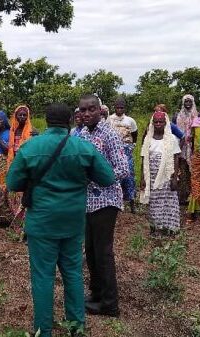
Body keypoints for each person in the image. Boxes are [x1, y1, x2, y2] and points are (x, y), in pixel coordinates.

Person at [7, 103, 116, 337]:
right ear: (70, 120)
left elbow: (12, 183)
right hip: (73, 222)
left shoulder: (30, 147)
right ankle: (76, 328)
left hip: (41, 223)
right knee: (73, 273)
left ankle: (43, 331)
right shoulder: (82, 146)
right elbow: (107, 178)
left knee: (43, 277)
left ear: (46, 121)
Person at [78, 94, 128, 317]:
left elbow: (123, 169)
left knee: (103, 252)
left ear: (100, 110)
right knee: (91, 251)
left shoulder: (109, 134)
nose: (86, 114)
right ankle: (96, 294)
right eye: (83, 110)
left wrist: (94, 177)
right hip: (88, 202)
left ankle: (110, 304)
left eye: (91, 110)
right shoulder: (83, 133)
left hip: (106, 200)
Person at [139, 111, 181, 237]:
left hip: (167, 176)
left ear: (165, 123)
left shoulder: (171, 139)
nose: (158, 124)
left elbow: (176, 158)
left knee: (168, 201)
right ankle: (155, 228)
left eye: (160, 122)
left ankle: (169, 228)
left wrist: (174, 178)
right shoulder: (148, 139)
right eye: (155, 122)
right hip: (151, 175)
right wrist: (142, 178)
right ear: (152, 123)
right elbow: (143, 159)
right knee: (154, 202)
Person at [107, 96, 138, 213]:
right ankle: (116, 203)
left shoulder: (130, 120)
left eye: (122, 108)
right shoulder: (109, 119)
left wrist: (132, 145)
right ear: (114, 107)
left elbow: (135, 134)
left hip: (127, 151)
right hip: (114, 151)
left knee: (129, 176)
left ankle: (132, 203)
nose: (119, 110)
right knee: (116, 177)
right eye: (118, 108)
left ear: (125, 108)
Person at [7, 105, 38, 221]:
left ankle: (25, 219)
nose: (22, 117)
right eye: (19, 114)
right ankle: (16, 218)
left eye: (25, 115)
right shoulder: (12, 130)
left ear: (28, 116)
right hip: (14, 163)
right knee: (15, 190)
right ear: (15, 116)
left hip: (26, 165)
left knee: (25, 191)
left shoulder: (32, 131)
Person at [173, 94, 199, 204]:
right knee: (181, 170)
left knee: (192, 171)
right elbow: (173, 131)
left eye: (190, 102)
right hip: (180, 145)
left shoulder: (197, 116)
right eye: (186, 102)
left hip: (192, 146)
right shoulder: (177, 116)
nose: (188, 104)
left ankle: (191, 196)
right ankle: (181, 196)